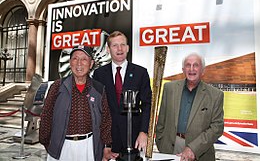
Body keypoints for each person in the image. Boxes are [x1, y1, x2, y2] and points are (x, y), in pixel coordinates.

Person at [39, 45, 112, 161]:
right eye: (75, 58)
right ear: (70, 62)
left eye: (84, 59)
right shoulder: (57, 86)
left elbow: (106, 119)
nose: (79, 63)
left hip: (89, 147)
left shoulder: (99, 89)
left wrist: (107, 145)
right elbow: (46, 116)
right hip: (62, 147)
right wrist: (47, 142)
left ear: (91, 64)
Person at [93, 31, 152, 159]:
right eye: (115, 45)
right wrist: (104, 141)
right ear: (108, 49)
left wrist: (144, 131)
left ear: (128, 48)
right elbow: (96, 110)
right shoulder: (99, 74)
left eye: (122, 44)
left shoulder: (140, 73)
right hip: (108, 140)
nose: (119, 49)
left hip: (134, 138)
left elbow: (147, 105)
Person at [155, 53, 224, 161]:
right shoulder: (169, 88)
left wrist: (193, 149)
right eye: (188, 65)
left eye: (196, 65)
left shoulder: (215, 95)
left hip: (200, 151)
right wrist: (161, 141)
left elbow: (217, 127)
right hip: (170, 149)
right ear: (183, 69)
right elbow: (162, 119)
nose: (191, 69)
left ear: (203, 70)